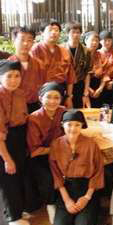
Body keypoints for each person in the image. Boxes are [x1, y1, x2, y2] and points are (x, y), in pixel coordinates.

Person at [49, 110, 104, 225]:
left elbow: (98, 172)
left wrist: (86, 198)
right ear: (62, 124)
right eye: (69, 124)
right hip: (66, 188)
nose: (73, 129)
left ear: (82, 126)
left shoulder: (91, 144)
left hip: (87, 188)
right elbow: (56, 174)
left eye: (77, 125)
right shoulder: (56, 144)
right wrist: (66, 200)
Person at [26, 82, 66, 224]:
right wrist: (57, 149)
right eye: (48, 97)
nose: (52, 101)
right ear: (41, 98)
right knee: (49, 180)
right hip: (39, 157)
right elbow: (35, 151)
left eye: (57, 98)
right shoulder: (33, 118)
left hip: (60, 153)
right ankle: (51, 208)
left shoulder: (63, 112)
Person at [0, 60, 29, 225]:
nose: (13, 79)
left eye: (17, 76)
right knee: (8, 177)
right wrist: (6, 158)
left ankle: (17, 212)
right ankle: (13, 218)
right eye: (9, 76)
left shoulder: (19, 93)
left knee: (17, 176)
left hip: (19, 136)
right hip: (4, 141)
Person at [30, 21, 75, 109]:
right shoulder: (35, 50)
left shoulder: (64, 51)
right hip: (42, 92)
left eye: (57, 30)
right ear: (42, 33)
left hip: (61, 91)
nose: (54, 33)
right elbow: (31, 76)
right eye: (50, 30)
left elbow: (70, 76)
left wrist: (69, 97)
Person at [9, 26, 46, 113]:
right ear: (13, 41)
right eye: (22, 40)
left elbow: (44, 87)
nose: (25, 43)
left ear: (33, 42)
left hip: (35, 107)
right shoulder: (7, 65)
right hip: (13, 108)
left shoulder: (39, 64)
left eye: (29, 40)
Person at [64, 22, 91, 108]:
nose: (75, 35)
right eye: (73, 32)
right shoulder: (61, 49)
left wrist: (86, 92)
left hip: (79, 85)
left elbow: (87, 72)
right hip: (65, 85)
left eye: (78, 32)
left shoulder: (86, 51)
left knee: (78, 111)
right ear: (67, 33)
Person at [89, 30, 113, 108]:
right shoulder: (98, 53)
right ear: (101, 42)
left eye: (109, 40)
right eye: (104, 40)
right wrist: (104, 84)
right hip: (100, 84)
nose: (107, 43)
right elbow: (102, 71)